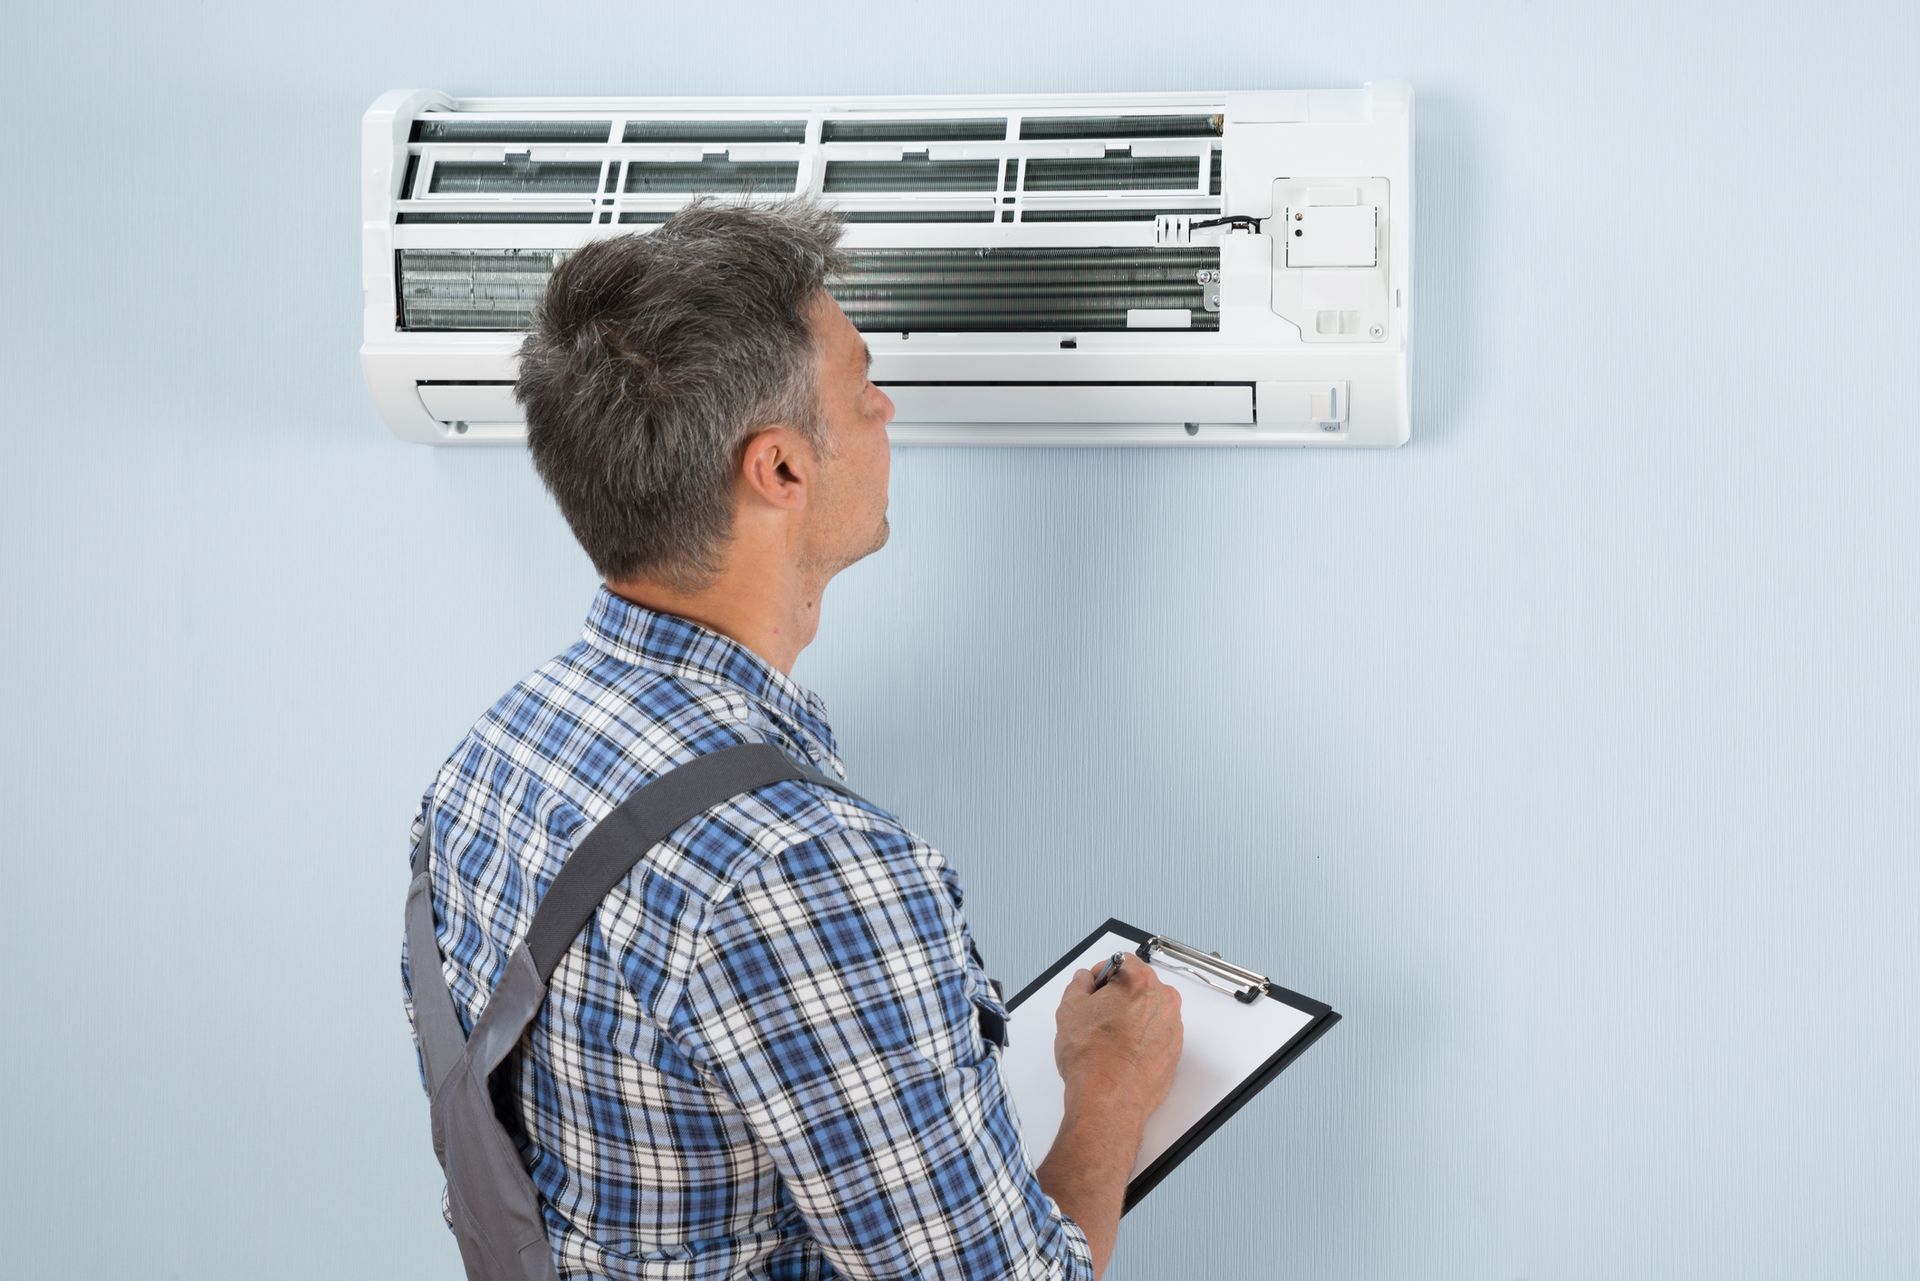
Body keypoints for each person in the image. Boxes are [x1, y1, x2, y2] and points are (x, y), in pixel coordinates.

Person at [402, 196, 1184, 1281]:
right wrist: (1110, 1093)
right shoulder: (798, 867)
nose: (886, 409)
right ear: (779, 470)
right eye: (862, 388)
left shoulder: (497, 756)